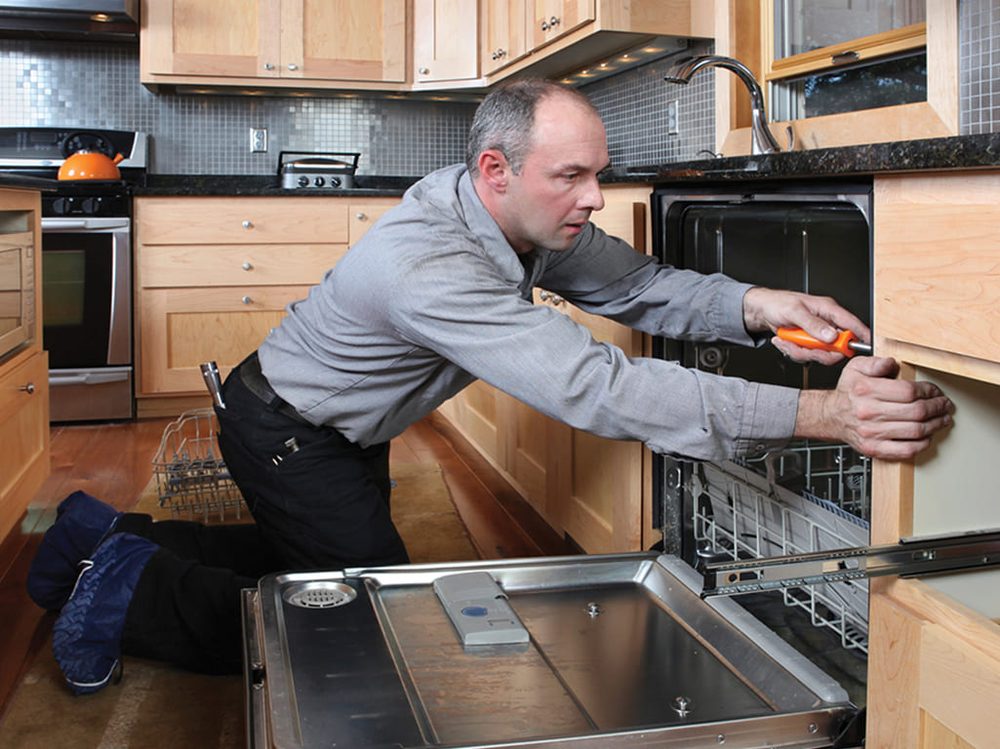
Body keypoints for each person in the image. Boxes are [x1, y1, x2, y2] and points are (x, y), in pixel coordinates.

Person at [27, 79, 953, 695]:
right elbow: (598, 386)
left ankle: (95, 535)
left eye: (598, 175)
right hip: (288, 431)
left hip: (335, 430)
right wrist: (819, 413)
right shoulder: (431, 264)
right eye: (573, 176)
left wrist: (759, 305)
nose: (594, 198)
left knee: (304, 558)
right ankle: (125, 592)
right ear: (496, 170)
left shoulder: (518, 216)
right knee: (362, 622)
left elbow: (639, 285)